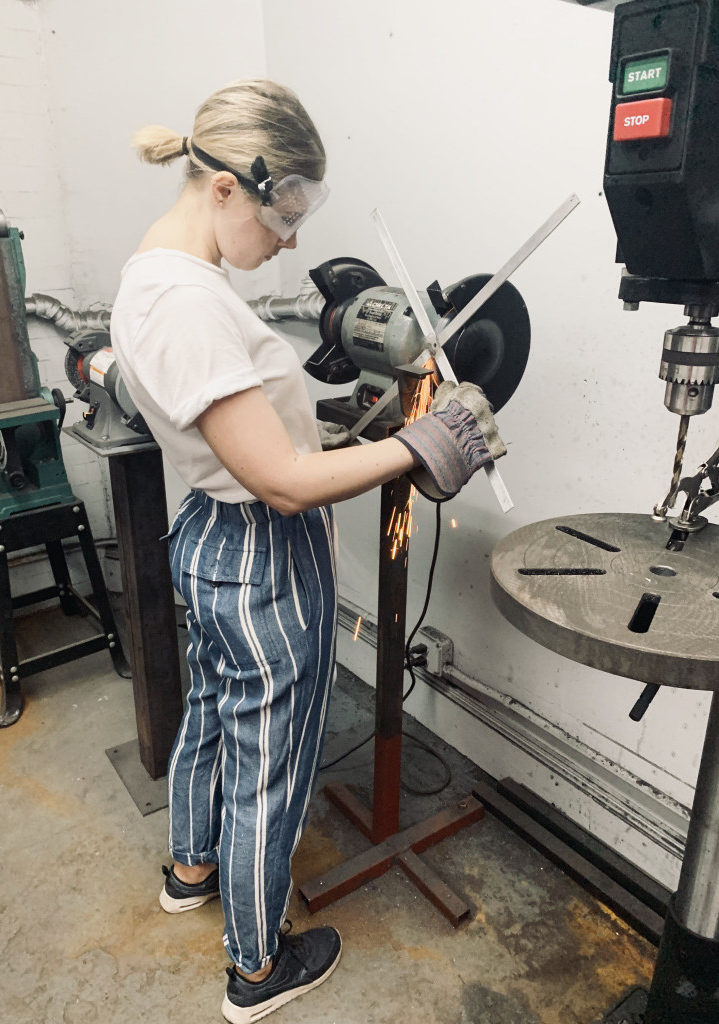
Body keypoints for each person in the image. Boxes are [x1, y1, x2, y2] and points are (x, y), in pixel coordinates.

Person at [110, 78, 504, 1024]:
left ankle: (191, 867)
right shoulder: (194, 306)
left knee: (212, 717)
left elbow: (246, 440)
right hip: (260, 549)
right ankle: (256, 966)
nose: (290, 239)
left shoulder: (151, 277)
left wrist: (348, 440)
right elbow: (281, 481)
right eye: (282, 212)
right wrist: (418, 444)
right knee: (269, 764)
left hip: (209, 536)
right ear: (222, 188)